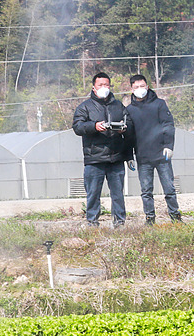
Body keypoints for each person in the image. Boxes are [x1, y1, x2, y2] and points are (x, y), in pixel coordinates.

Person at [72, 72, 134, 227]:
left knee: (118, 194)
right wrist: (94, 126)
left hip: (116, 158)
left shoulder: (118, 105)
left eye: (106, 85)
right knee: (93, 194)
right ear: (94, 88)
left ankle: (119, 222)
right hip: (95, 158)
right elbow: (77, 127)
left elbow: (130, 124)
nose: (104, 88)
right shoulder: (84, 107)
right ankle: (92, 222)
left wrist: (123, 129)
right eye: (100, 85)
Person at [126, 74, 181, 225]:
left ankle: (175, 216)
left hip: (162, 155)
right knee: (146, 191)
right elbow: (128, 135)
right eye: (136, 87)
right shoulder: (129, 110)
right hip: (143, 157)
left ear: (147, 86)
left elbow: (168, 125)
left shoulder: (159, 104)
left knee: (169, 189)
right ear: (131, 89)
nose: (139, 89)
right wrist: (129, 155)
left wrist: (169, 146)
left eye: (142, 86)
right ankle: (150, 219)